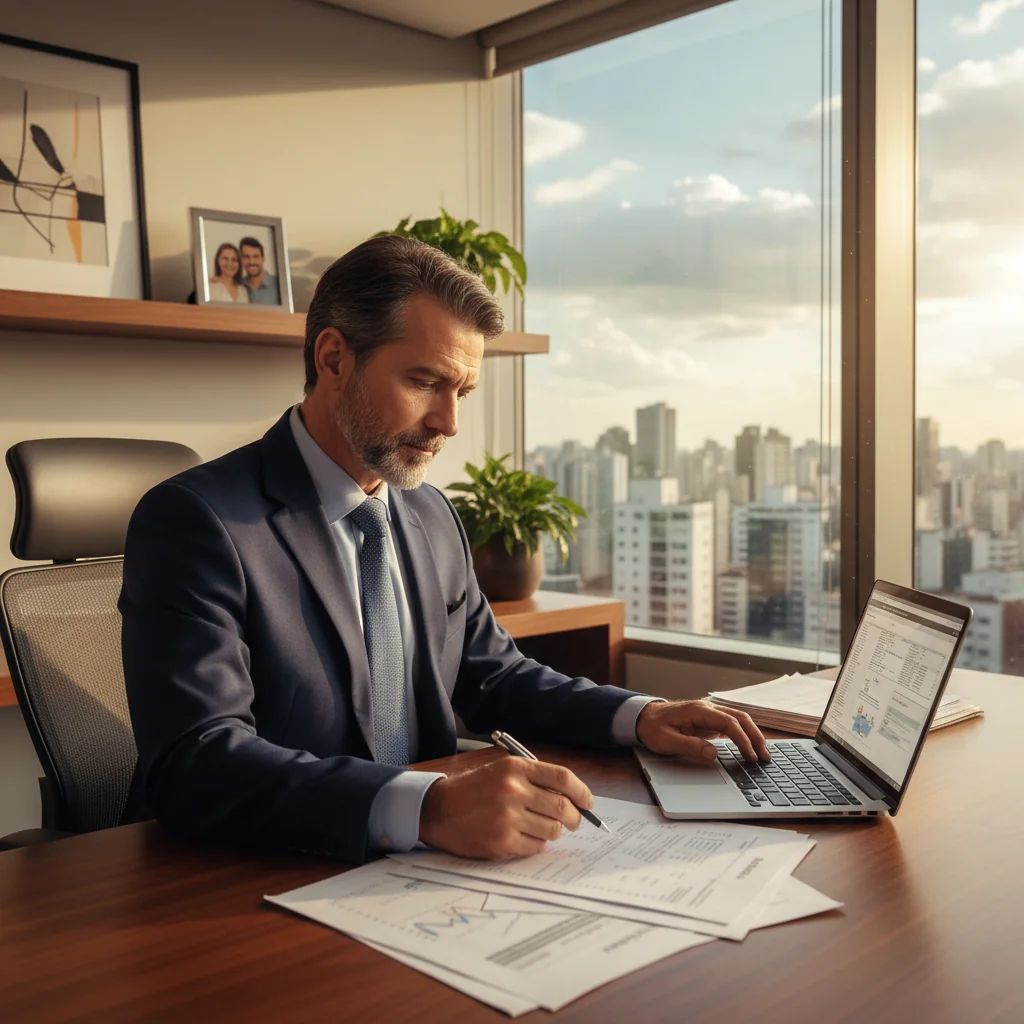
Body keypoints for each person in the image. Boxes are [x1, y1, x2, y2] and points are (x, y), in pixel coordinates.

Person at [119, 236, 769, 865]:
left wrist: (641, 715)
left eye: (462, 392)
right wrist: (428, 807)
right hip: (260, 873)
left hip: (426, 874)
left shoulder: (429, 511)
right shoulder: (199, 521)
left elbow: (496, 676)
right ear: (334, 357)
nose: (448, 423)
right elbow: (197, 760)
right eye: (426, 382)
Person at [239, 235, 281, 304]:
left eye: (256, 256)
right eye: (246, 257)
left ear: (263, 259)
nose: (251, 262)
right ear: (241, 260)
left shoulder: (279, 285)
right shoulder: (238, 285)